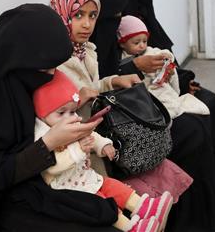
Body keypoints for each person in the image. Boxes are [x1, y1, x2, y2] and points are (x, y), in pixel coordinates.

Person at [0, 4, 119, 232]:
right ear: (20, 58)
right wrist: (49, 143)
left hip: (29, 186)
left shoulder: (11, 80)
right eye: (45, 69)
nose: (51, 76)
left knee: (104, 212)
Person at [83, 0, 215, 232]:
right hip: (109, 128)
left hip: (130, 103)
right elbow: (95, 88)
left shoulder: (98, 41)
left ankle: (208, 214)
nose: (89, 24)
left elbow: (155, 50)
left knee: (204, 113)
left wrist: (181, 78)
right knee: (190, 131)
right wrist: (133, 66)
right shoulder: (83, 47)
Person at [48, 0, 193, 205]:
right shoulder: (55, 59)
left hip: (102, 129)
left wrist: (113, 81)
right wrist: (80, 97)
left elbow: (91, 87)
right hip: (81, 143)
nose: (87, 24)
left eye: (92, 16)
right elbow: (61, 103)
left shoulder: (86, 51)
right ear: (61, 14)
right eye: (78, 15)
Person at [115, 0, 215, 190]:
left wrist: (184, 80)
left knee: (212, 101)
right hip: (146, 93)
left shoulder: (144, 12)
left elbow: (163, 51)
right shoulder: (122, 22)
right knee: (197, 119)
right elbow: (119, 67)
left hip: (166, 81)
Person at [33, 70, 173, 232]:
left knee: (114, 186)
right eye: (61, 113)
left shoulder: (71, 123)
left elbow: (90, 133)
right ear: (43, 115)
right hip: (68, 189)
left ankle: (145, 206)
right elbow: (51, 166)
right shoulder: (42, 136)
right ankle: (131, 227)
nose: (69, 117)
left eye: (72, 111)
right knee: (103, 204)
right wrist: (78, 150)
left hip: (85, 175)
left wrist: (103, 145)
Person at [117, 15, 210, 118]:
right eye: (136, 42)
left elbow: (162, 54)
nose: (142, 46)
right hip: (145, 97)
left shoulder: (149, 52)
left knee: (208, 102)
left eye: (145, 41)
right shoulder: (121, 60)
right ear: (122, 43)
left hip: (160, 88)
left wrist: (167, 62)